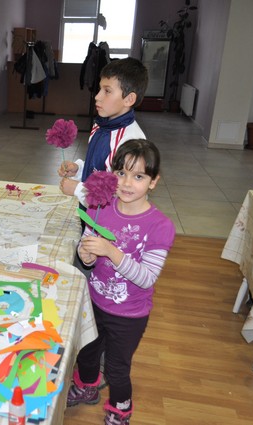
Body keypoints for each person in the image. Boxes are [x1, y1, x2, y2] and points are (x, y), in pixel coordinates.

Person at [66, 139, 176, 425]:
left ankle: (120, 409)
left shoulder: (160, 226)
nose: (127, 183)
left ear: (153, 181)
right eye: (121, 173)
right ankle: (86, 387)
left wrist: (111, 251)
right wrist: (87, 255)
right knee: (87, 353)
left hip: (129, 314)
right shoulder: (100, 208)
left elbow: (147, 278)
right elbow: (87, 249)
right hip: (94, 301)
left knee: (116, 368)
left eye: (138, 176)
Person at [58, 57, 148, 209]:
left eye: (107, 91)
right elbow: (101, 169)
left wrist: (78, 190)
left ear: (129, 99)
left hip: (110, 221)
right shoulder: (101, 125)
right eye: (100, 89)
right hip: (90, 213)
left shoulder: (130, 142)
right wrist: (79, 169)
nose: (97, 96)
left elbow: (121, 195)